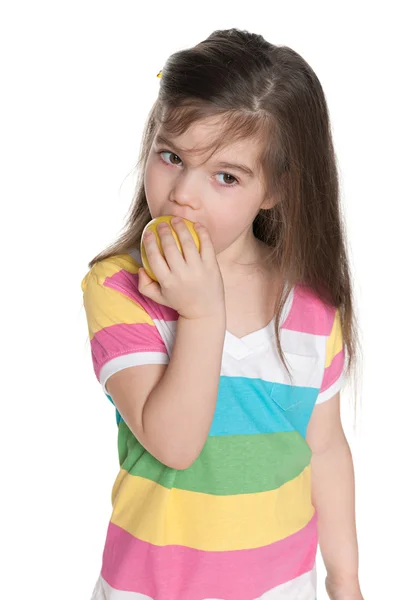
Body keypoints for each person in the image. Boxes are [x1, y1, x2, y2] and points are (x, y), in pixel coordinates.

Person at [82, 28, 363, 600]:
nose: (184, 192)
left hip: (283, 588)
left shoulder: (310, 307)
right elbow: (175, 444)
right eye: (171, 156)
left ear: (275, 189)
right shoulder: (119, 287)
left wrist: (346, 581)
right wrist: (203, 314)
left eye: (226, 176)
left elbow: (326, 449)